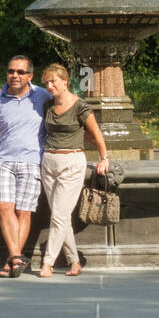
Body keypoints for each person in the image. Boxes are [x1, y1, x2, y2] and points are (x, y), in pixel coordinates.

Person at [37, 63, 110, 278]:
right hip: (49, 160)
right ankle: (74, 262)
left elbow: (96, 133)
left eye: (53, 81)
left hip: (71, 161)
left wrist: (104, 157)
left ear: (65, 81)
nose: (49, 86)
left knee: (59, 216)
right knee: (61, 217)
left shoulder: (80, 106)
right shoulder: (47, 105)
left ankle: (48, 263)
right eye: (47, 82)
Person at [0, 54, 50, 278]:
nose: (14, 75)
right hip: (3, 160)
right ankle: (16, 257)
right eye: (11, 71)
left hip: (32, 161)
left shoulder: (42, 95)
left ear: (30, 76)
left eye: (20, 72)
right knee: (4, 208)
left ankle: (10, 260)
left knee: (23, 211)